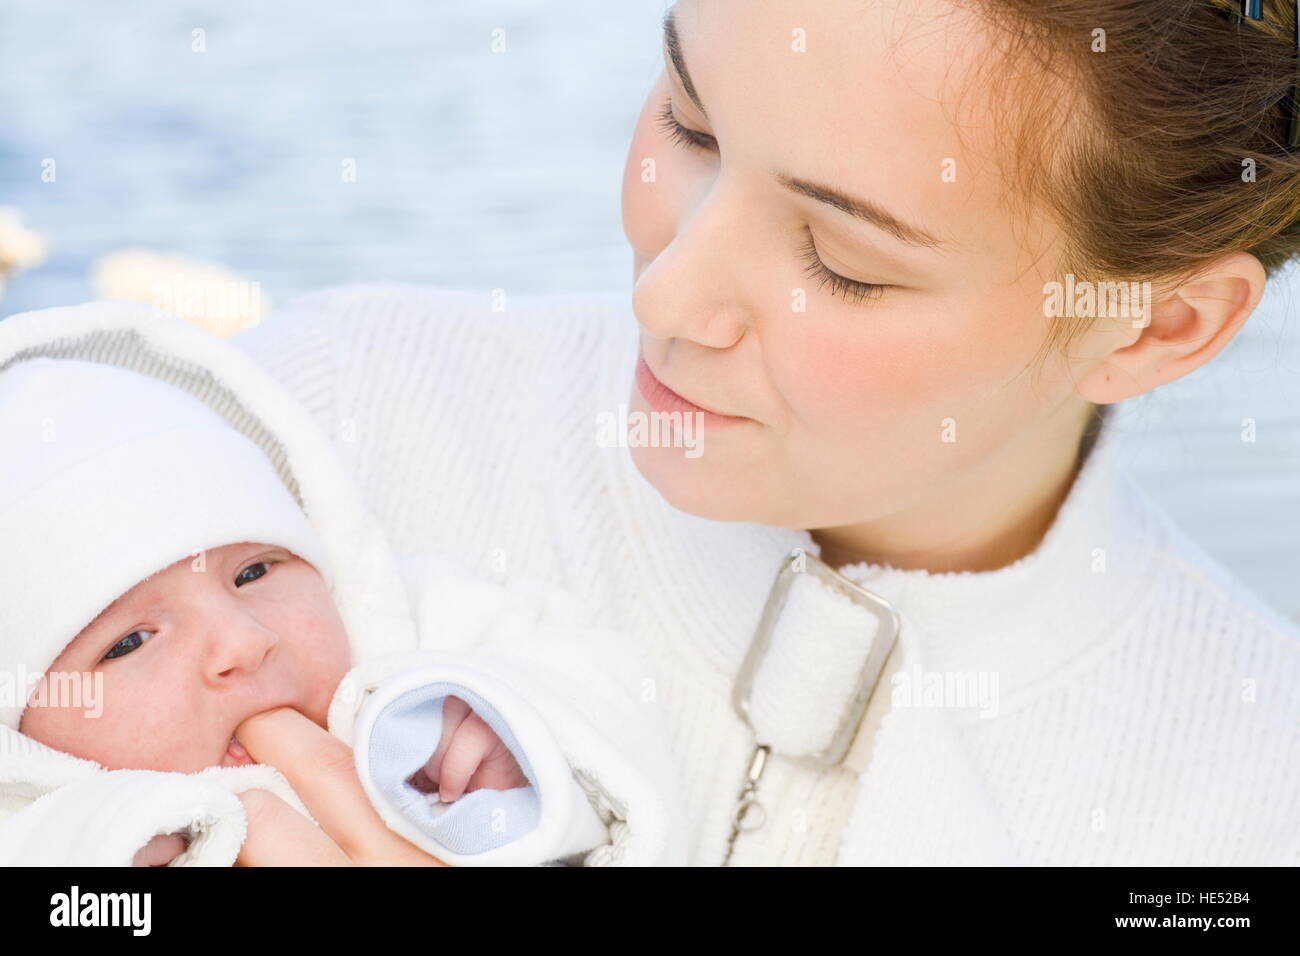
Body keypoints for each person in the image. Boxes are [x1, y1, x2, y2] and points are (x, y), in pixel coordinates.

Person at [232, 0, 1300, 865]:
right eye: (688, 126)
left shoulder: (1251, 796)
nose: (666, 296)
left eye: (843, 262)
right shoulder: (326, 420)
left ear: (1156, 323)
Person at [0, 303, 685, 867]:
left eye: (254, 571)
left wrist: (522, 741)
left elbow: (607, 687)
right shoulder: (46, 826)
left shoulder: (413, 643)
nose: (244, 640)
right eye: (130, 642)